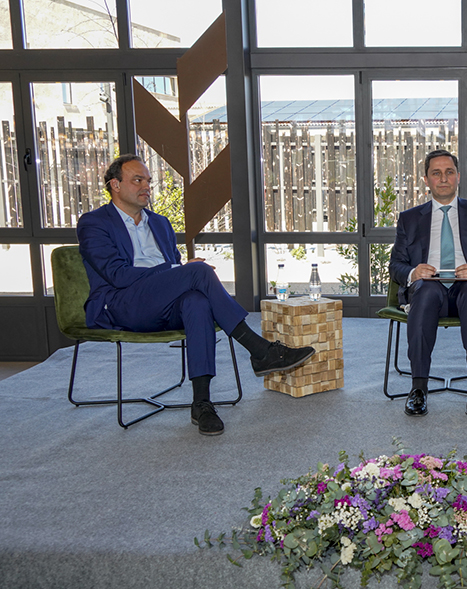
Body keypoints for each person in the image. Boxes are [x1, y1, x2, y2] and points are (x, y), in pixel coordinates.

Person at [77, 154, 316, 436]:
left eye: (148, 181)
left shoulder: (161, 223)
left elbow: (173, 275)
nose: (146, 187)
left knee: (197, 302)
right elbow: (116, 275)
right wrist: (174, 270)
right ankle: (260, 350)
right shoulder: (94, 223)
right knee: (198, 271)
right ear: (115, 185)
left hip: (161, 306)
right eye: (137, 180)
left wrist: (175, 271)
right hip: (121, 304)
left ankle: (202, 403)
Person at [388, 149, 467, 418]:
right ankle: (418, 388)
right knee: (427, 291)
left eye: (449, 172)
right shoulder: (409, 218)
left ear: (458, 177)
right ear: (426, 180)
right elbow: (396, 266)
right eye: (436, 173)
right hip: (428, 291)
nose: (443, 178)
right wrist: (413, 273)